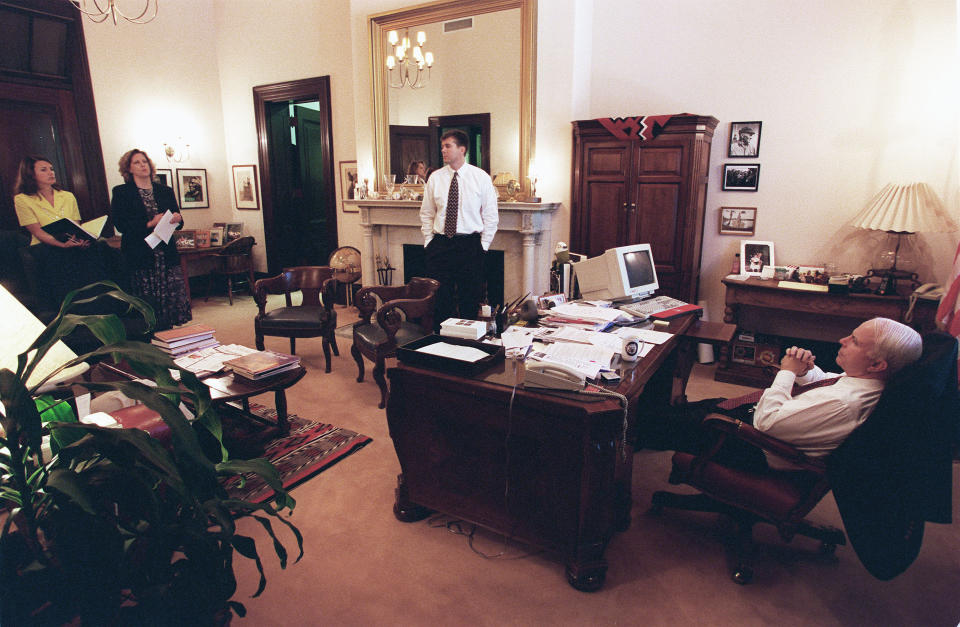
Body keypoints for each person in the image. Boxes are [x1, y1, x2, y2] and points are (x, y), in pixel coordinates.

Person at [641, 317, 923, 471]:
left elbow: (767, 423)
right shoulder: (861, 381)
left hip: (749, 442)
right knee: (669, 410)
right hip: (750, 419)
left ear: (876, 364)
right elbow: (826, 381)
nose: (842, 340)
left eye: (855, 341)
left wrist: (786, 372)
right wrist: (804, 371)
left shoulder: (845, 405)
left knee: (648, 422)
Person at [419, 129, 498, 327]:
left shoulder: (481, 178)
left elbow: (491, 215)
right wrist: (429, 241)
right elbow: (427, 213)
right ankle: (441, 345)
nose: (443, 150)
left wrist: (483, 246)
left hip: (469, 245)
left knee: (469, 299)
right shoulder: (435, 178)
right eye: (442, 146)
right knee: (440, 299)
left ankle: (466, 347)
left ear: (462, 149)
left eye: (448, 146)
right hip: (440, 244)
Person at [110, 149, 192, 330]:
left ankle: (170, 334)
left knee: (170, 298)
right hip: (141, 253)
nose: (142, 165)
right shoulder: (122, 192)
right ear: (129, 169)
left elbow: (179, 222)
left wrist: (177, 219)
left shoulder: (165, 191)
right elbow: (121, 225)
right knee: (148, 300)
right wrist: (149, 223)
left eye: (144, 161)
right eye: (137, 163)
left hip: (165, 252)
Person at [13, 155, 104, 309]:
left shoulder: (67, 196)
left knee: (97, 251)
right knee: (60, 261)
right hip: (44, 247)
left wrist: (79, 241)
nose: (51, 172)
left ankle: (93, 309)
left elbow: (76, 226)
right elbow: (37, 232)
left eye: (52, 169)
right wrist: (62, 245)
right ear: (31, 174)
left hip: (70, 244)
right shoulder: (22, 199)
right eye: (44, 170)